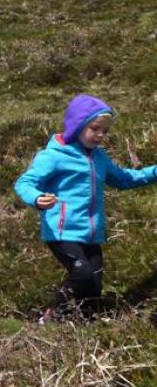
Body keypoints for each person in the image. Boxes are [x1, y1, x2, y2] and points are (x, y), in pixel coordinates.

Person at [14, 94, 156, 323]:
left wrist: (154, 172)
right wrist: (37, 198)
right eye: (95, 128)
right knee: (82, 274)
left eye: (105, 131)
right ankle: (50, 317)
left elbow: (125, 178)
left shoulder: (99, 157)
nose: (100, 135)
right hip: (61, 231)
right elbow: (24, 183)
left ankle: (85, 326)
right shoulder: (53, 156)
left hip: (91, 234)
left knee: (93, 287)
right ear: (77, 125)